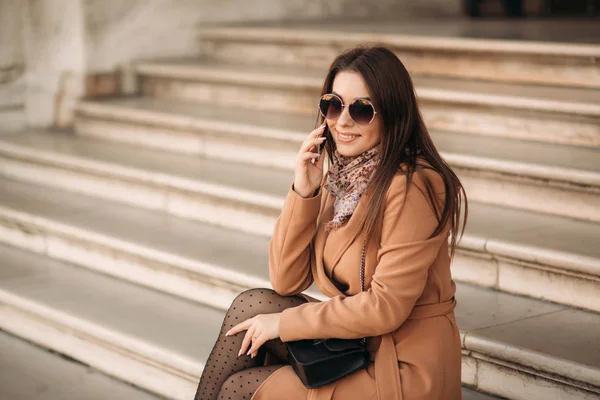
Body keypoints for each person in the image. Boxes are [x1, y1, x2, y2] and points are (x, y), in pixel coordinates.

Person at [194, 44, 468, 400]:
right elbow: (286, 279)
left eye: (362, 110)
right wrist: (303, 191)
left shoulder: (413, 185)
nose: (343, 121)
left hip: (402, 364)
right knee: (252, 308)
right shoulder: (342, 179)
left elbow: (386, 307)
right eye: (333, 105)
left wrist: (283, 324)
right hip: (358, 339)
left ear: (393, 114)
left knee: (239, 386)